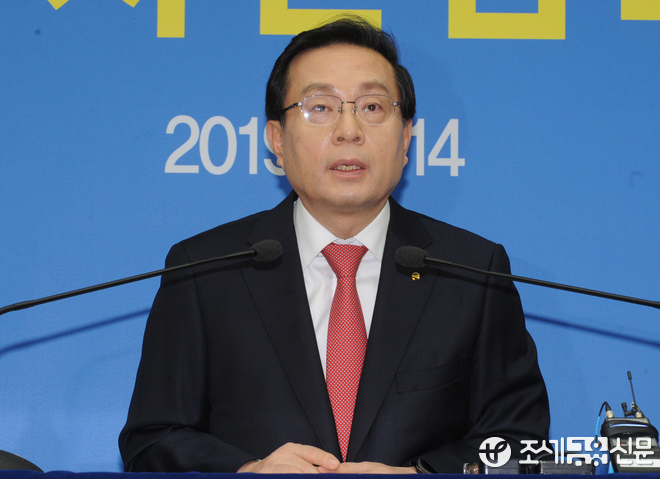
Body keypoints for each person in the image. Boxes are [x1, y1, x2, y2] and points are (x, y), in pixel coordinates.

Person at [119, 17, 550, 474]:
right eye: (320, 107)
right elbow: (152, 440)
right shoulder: (205, 269)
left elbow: (521, 441)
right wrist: (248, 471)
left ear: (406, 138)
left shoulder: (472, 270)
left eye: (372, 106)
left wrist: (420, 476)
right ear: (276, 139)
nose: (348, 130)